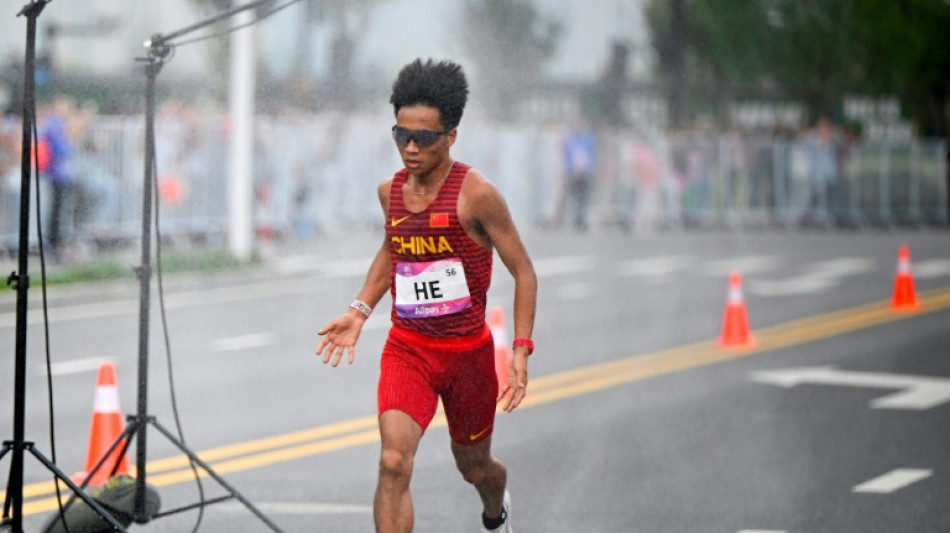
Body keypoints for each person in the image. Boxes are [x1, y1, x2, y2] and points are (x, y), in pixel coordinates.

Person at [315, 58, 537, 533]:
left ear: (451, 135)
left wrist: (520, 348)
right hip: (408, 348)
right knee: (394, 462)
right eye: (401, 135)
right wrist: (359, 311)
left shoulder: (477, 195)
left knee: (475, 468)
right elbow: (393, 248)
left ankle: (497, 513)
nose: (410, 149)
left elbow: (524, 271)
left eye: (424, 138)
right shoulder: (389, 191)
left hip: (466, 356)